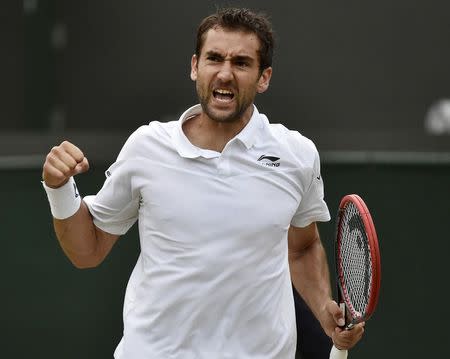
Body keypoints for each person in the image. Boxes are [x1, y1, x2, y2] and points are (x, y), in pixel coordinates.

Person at [42, 8, 364, 359]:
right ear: (196, 66)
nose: (225, 73)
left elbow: (301, 248)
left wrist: (323, 313)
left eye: (241, 63)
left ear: (263, 77)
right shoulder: (146, 147)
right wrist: (58, 189)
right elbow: (87, 251)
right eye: (214, 58)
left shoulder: (296, 155)